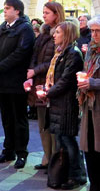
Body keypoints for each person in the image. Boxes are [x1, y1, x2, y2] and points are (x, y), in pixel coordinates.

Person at [0, 0, 35, 169]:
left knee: (19, 119)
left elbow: (20, 54)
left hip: (16, 81)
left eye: (7, 8)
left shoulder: (25, 29)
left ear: (17, 11)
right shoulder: (2, 28)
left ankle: (21, 153)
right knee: (6, 118)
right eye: (4, 8)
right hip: (2, 82)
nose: (4, 11)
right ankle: (8, 150)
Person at [38, 21, 85, 189]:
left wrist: (48, 93)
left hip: (66, 103)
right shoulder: (61, 53)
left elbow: (66, 80)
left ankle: (76, 175)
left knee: (68, 139)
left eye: (58, 32)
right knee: (61, 139)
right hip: (58, 102)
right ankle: (65, 174)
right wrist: (47, 90)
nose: (54, 35)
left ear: (67, 35)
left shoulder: (73, 54)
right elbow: (57, 78)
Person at [24, 2, 65, 170]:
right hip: (39, 82)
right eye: (43, 12)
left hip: (52, 83)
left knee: (53, 125)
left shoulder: (62, 32)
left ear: (56, 14)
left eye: (47, 12)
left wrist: (35, 71)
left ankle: (55, 161)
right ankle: (47, 157)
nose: (44, 15)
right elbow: (35, 54)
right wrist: (31, 71)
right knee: (42, 124)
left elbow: (55, 60)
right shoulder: (42, 34)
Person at [78, 15, 100, 191]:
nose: (94, 35)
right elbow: (86, 71)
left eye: (98, 31)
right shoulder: (91, 51)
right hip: (90, 105)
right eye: (92, 31)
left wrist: (93, 83)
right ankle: (94, 183)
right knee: (89, 148)